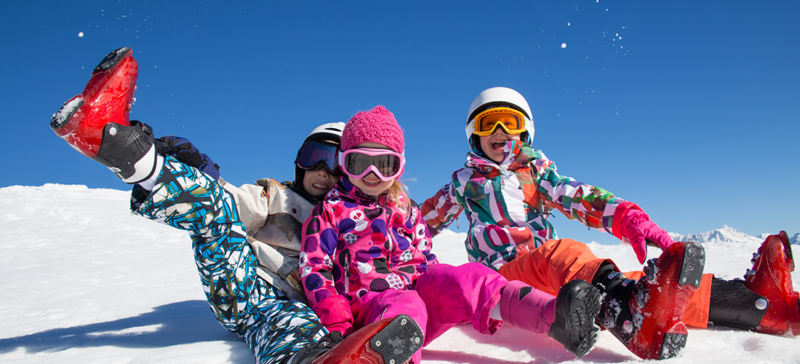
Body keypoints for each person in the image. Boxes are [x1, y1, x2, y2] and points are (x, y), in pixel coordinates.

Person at [49, 46, 424, 364]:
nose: (323, 171)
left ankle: (318, 359)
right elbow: (229, 202)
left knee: (293, 324)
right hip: (247, 285)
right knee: (216, 214)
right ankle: (118, 143)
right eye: (314, 156)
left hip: (300, 308)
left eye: (334, 159)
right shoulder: (278, 197)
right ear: (298, 162)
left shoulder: (347, 220)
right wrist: (199, 170)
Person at [421, 86, 800, 359]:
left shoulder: (538, 176)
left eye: (510, 123)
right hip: (499, 283)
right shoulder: (463, 184)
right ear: (475, 135)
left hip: (549, 280)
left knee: (647, 286)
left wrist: (626, 217)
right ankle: (629, 319)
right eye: (490, 124)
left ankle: (755, 304)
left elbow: (580, 196)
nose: (500, 134)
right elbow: (418, 222)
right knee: (563, 253)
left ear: (525, 131)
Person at [299, 105, 606, 364]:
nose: (372, 175)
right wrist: (337, 322)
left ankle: (553, 318)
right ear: (344, 163)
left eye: (384, 165)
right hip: (369, 313)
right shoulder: (330, 211)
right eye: (360, 163)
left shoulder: (405, 208)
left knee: (472, 277)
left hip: (419, 302)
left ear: (399, 167)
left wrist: (444, 283)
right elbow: (315, 270)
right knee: (406, 304)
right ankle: (377, 356)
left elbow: (425, 256)